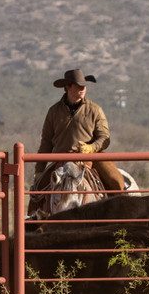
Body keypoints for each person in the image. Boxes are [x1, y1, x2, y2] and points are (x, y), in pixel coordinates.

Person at [32, 68, 126, 211]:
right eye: (78, 86)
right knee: (36, 192)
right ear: (67, 87)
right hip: (60, 160)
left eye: (84, 86)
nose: (83, 89)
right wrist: (39, 170)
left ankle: (123, 216)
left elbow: (104, 138)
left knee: (116, 181)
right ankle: (32, 226)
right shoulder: (54, 111)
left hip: (91, 158)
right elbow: (46, 143)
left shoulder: (94, 109)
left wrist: (90, 148)